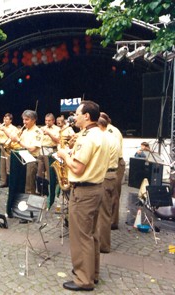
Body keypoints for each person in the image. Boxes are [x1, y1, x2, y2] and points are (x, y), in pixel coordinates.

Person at [57, 100, 109, 291]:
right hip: (95, 188)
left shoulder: (88, 137)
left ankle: (83, 279)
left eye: (77, 113)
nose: (75, 116)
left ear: (87, 116)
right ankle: (92, 273)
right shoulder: (99, 134)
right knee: (92, 234)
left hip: (84, 191)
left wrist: (64, 155)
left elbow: (78, 168)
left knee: (81, 236)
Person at [97, 117, 120, 254]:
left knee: (103, 213)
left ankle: (103, 245)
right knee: (106, 210)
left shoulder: (103, 139)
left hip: (105, 176)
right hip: (112, 175)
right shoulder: (113, 137)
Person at [100, 112, 124, 230]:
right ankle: (107, 219)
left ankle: (113, 222)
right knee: (109, 194)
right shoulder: (105, 131)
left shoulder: (112, 132)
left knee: (114, 194)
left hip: (116, 163)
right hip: (112, 162)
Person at [10, 110, 43, 194]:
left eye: (27, 120)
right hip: (21, 159)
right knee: (21, 183)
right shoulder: (25, 131)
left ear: (34, 120)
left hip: (31, 160)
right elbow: (19, 146)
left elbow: (32, 149)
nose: (24, 122)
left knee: (29, 185)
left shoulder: (38, 132)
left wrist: (18, 140)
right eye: (23, 119)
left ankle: (29, 204)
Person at [0, 113, 18, 187]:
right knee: (2, 165)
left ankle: (11, 182)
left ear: (11, 120)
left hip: (8, 148)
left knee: (9, 166)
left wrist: (4, 130)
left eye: (7, 119)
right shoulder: (2, 127)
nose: (5, 120)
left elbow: (12, 137)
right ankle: (3, 181)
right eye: (4, 119)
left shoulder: (13, 128)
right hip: (1, 146)